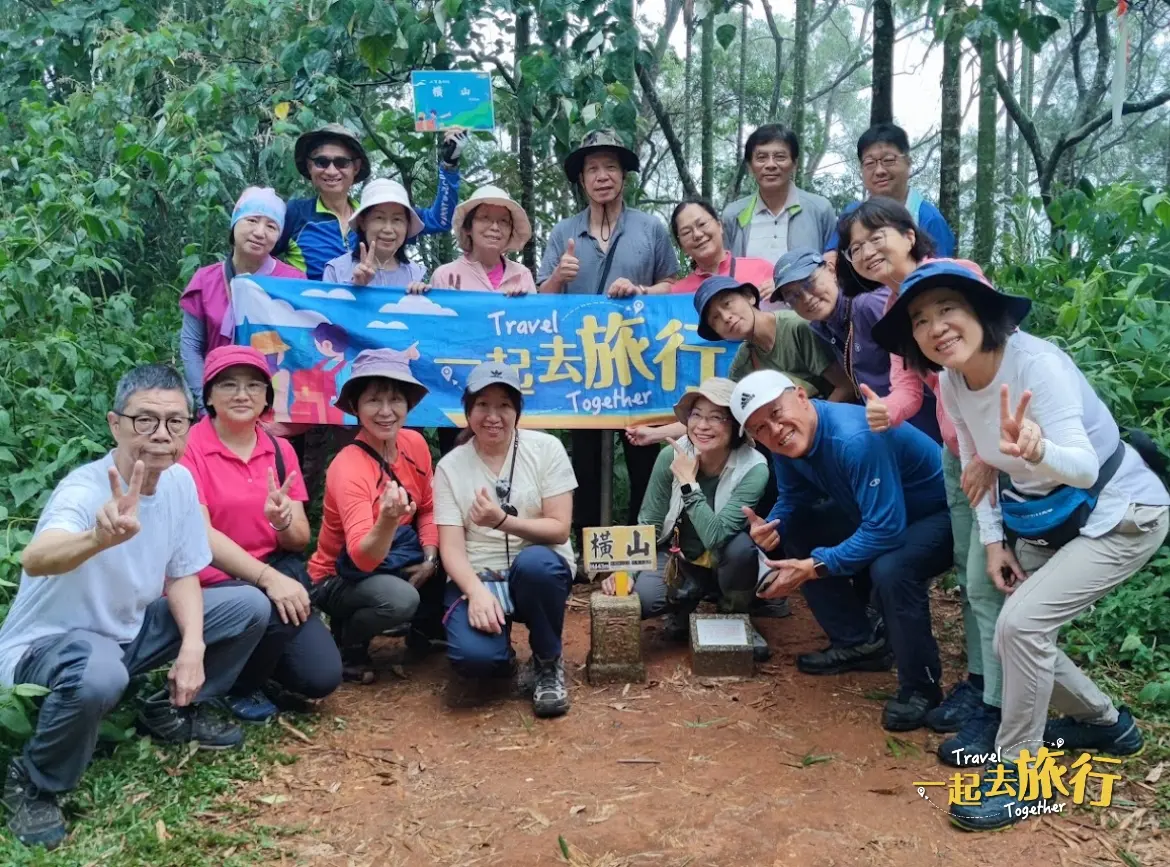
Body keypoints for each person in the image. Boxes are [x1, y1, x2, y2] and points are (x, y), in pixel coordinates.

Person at [871, 261, 1170, 831]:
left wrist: (1036, 451)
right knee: (1018, 631)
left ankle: (1021, 774)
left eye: (948, 310)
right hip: (1050, 517)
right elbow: (975, 470)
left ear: (983, 313)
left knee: (1021, 626)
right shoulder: (954, 381)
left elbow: (1081, 467)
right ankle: (1107, 725)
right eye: (921, 319)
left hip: (1124, 511)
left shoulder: (1037, 365)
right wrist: (992, 543)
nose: (936, 327)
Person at [0, 365, 271, 850]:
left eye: (174, 422)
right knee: (100, 672)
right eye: (145, 420)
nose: (161, 436)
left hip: (129, 632)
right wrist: (95, 539)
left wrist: (192, 646)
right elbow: (37, 558)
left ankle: (173, 710)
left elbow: (183, 571)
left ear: (190, 426)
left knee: (248, 604)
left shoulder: (179, 484)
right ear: (115, 424)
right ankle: (35, 782)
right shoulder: (85, 490)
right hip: (50, 644)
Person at [837, 197, 1000, 758]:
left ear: (909, 234)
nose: (866, 251)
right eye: (855, 248)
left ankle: (997, 702)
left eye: (874, 236)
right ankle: (980, 685)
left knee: (987, 580)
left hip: (994, 453)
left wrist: (990, 450)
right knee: (971, 575)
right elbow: (912, 385)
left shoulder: (956, 278)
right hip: (957, 454)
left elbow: (1003, 360)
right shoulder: (890, 308)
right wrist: (889, 411)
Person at [732, 370, 954, 731]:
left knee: (892, 569)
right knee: (800, 526)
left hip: (939, 515)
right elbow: (794, 498)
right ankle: (860, 643)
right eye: (759, 428)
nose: (774, 430)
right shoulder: (786, 445)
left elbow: (885, 529)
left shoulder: (853, 437)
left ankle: (921, 688)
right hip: (874, 510)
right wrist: (773, 525)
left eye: (776, 413)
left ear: (801, 397)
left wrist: (818, 565)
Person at [180, 346, 341, 722]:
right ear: (208, 395)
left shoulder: (280, 448)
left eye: (254, 385)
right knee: (265, 601)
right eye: (229, 385)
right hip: (210, 582)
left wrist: (283, 520)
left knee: (321, 676)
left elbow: (299, 539)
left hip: (271, 573)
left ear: (267, 397)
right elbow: (197, 534)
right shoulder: (189, 449)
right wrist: (268, 579)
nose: (242, 394)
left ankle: (257, 665)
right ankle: (229, 686)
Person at [537, 129, 679, 532]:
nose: (602, 176)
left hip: (641, 364)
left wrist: (643, 290)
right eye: (593, 169)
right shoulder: (563, 233)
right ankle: (586, 551)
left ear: (624, 176)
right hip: (583, 367)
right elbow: (542, 301)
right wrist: (557, 279)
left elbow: (671, 284)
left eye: (611, 167)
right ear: (581, 180)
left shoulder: (649, 228)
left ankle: (643, 545)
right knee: (584, 462)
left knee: (644, 458)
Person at [434, 364, 577, 718]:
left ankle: (547, 662)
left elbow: (559, 529)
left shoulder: (546, 449)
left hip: (535, 567)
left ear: (518, 412)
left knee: (536, 565)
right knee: (475, 660)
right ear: (468, 411)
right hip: (479, 573)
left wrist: (501, 520)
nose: (492, 416)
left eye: (504, 406)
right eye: (482, 405)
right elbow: (451, 548)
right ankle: (502, 657)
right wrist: (476, 592)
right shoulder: (450, 467)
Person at [602, 378, 770, 659]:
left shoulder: (754, 468)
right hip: (678, 556)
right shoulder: (671, 456)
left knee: (741, 548)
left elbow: (717, 535)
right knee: (640, 599)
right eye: (696, 415)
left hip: (723, 559)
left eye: (716, 417)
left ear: (737, 426)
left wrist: (689, 484)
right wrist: (625, 571)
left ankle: (736, 618)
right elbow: (650, 522)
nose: (702, 426)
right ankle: (682, 607)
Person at [307, 349, 441, 683]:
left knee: (453, 549)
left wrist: (430, 556)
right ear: (355, 407)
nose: (385, 411)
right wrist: (388, 520)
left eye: (395, 399)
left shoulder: (415, 444)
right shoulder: (348, 467)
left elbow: (427, 507)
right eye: (373, 401)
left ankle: (426, 634)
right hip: (338, 576)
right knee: (400, 599)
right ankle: (348, 639)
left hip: (394, 557)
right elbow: (361, 559)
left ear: (409, 404)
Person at [626, 275, 850, 449]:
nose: (726, 317)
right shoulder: (743, 360)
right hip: (789, 437)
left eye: (728, 303)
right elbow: (718, 414)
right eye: (715, 318)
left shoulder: (796, 327)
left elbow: (846, 386)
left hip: (835, 429)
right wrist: (654, 434)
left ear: (750, 297)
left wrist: (814, 433)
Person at [772, 248, 941, 441]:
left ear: (830, 270)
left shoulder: (868, 304)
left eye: (809, 283)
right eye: (792, 297)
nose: (806, 298)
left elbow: (931, 364)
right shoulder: (822, 325)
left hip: (931, 425)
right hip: (892, 429)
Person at [277, 123, 468, 280]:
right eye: (322, 162)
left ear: (356, 167)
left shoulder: (379, 214)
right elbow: (258, 256)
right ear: (310, 166)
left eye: (342, 162)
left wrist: (449, 165)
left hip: (368, 319)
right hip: (309, 321)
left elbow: (440, 221)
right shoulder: (295, 213)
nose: (331, 171)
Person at [179, 186, 305, 412]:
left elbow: (300, 350)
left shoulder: (293, 282)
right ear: (235, 223)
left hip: (273, 406)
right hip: (216, 398)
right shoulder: (205, 280)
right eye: (252, 220)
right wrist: (205, 402)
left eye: (271, 226)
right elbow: (191, 347)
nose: (260, 232)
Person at [826, 123, 956, 258]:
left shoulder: (928, 219)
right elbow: (830, 259)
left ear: (908, 162)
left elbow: (940, 274)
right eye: (870, 163)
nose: (879, 171)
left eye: (888, 160)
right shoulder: (851, 213)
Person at [721, 124, 836, 263]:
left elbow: (833, 267)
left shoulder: (820, 210)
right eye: (761, 157)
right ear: (750, 167)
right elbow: (723, 270)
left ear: (795, 164)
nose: (770, 165)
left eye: (780, 157)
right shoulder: (733, 215)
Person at [668, 197, 778, 308]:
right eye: (686, 232)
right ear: (682, 247)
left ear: (719, 226)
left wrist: (783, 291)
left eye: (702, 224)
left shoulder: (761, 269)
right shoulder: (677, 294)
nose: (697, 234)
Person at [426, 184, 536, 295]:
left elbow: (536, 312)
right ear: (468, 227)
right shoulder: (445, 276)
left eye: (503, 221)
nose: (495, 227)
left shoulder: (522, 275)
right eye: (485, 218)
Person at [322, 179, 428, 289]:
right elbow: (326, 306)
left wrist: (419, 298)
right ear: (362, 222)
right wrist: (355, 287)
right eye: (379, 218)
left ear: (407, 225)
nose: (388, 229)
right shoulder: (336, 270)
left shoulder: (417, 275)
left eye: (397, 219)